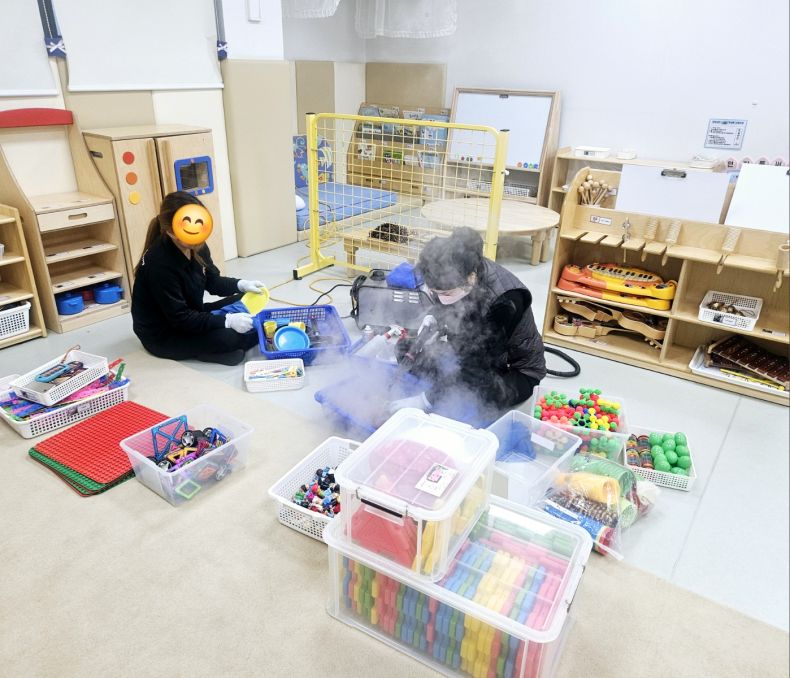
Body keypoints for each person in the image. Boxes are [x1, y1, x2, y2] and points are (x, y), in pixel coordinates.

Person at [391, 227, 546, 424]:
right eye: (435, 292)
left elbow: (474, 366)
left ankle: (442, 391)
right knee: (404, 349)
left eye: (446, 294)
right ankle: (444, 384)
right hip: (466, 350)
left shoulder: (505, 302)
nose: (441, 298)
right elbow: (446, 304)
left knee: (475, 392)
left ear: (471, 277)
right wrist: (433, 316)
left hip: (511, 370)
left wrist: (424, 400)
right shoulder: (460, 270)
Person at [132, 191, 266, 366]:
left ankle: (224, 345)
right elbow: (181, 319)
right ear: (171, 231)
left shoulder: (196, 243)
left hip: (191, 313)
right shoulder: (159, 263)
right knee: (230, 336)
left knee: (248, 299)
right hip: (165, 333)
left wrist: (241, 285)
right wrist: (227, 321)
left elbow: (213, 282)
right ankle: (211, 350)